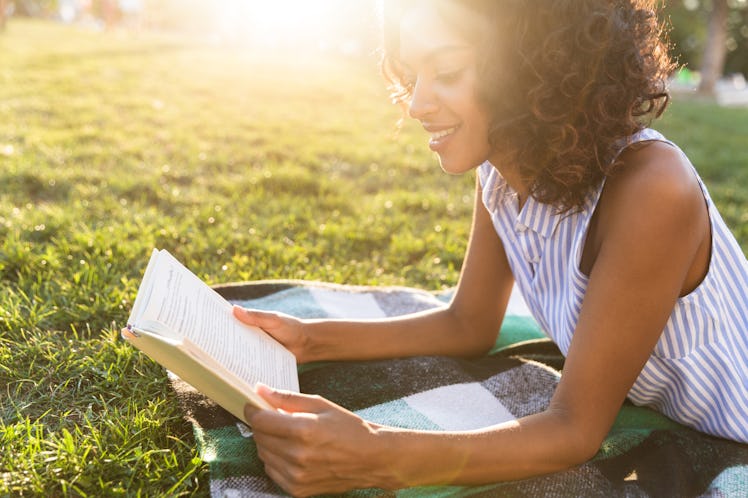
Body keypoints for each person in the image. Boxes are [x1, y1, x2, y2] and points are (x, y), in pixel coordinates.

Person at [232, 0, 748, 495]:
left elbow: (573, 429)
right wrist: (306, 340)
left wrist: (374, 454)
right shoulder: (502, 170)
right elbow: (468, 324)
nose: (416, 105)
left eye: (449, 71)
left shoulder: (652, 189)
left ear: (533, 66)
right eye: (413, 74)